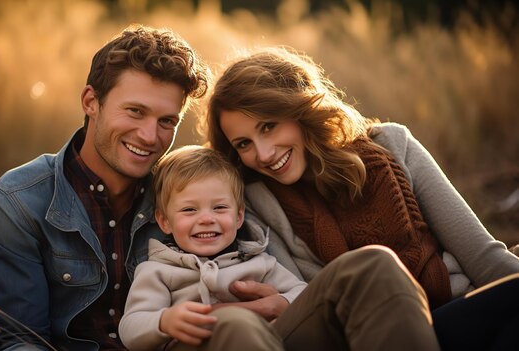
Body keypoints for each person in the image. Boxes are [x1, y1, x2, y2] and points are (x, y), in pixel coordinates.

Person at [202, 46, 519, 349]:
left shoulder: (394, 144)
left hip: (456, 307)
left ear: (300, 109)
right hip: (368, 334)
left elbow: (483, 257)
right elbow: (304, 305)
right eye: (243, 144)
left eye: (269, 126)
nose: (264, 154)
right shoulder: (257, 200)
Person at [0, 25, 211, 350]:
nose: (149, 136)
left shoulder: (187, 200)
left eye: (166, 121)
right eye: (135, 111)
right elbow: (16, 341)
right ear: (91, 102)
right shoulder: (17, 202)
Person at [118, 145, 308, 350]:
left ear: (238, 217)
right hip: (190, 345)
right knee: (236, 322)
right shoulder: (157, 271)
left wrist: (281, 302)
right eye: (189, 210)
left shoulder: (258, 263)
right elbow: (130, 328)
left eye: (219, 208)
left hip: (252, 341)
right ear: (165, 221)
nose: (207, 219)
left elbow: (304, 295)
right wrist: (164, 321)